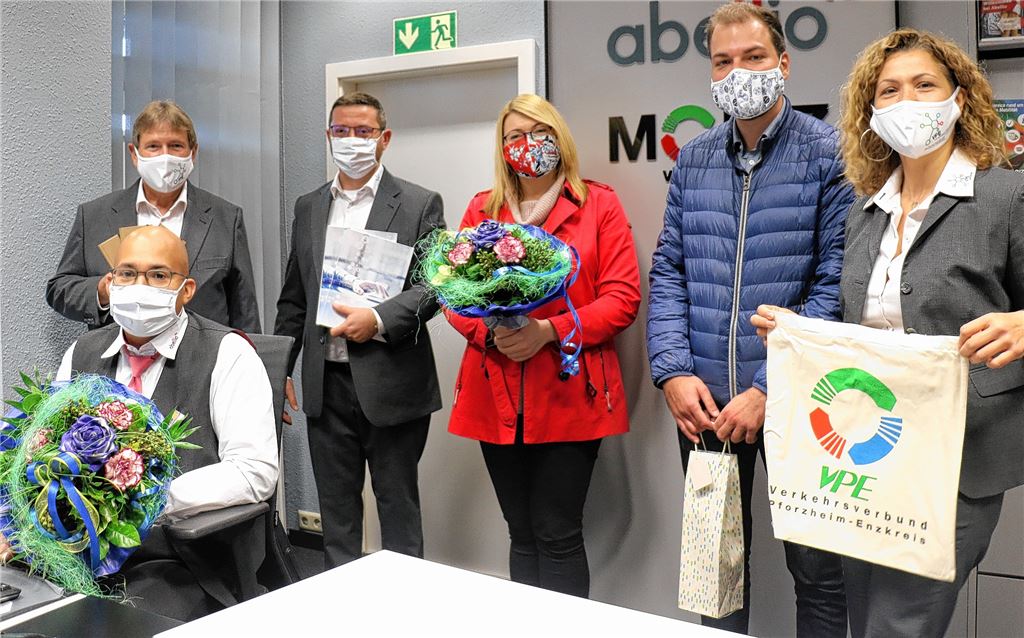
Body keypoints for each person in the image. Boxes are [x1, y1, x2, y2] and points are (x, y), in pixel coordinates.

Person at [755, 28, 1024, 637]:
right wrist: (799, 335)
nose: (908, 101)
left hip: (957, 459)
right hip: (868, 460)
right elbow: (864, 330)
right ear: (871, 112)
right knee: (865, 617)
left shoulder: (1007, 196)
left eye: (924, 85)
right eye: (890, 91)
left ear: (959, 98)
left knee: (899, 626)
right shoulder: (865, 211)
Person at [646, 4, 854, 635]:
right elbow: (669, 271)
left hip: (802, 406)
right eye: (723, 61)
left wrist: (769, 387)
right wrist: (672, 372)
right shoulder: (694, 159)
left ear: (783, 64)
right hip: (707, 406)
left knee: (819, 576)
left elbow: (836, 285)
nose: (738, 72)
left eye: (754, 57)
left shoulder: (830, 154)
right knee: (713, 573)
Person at [446, 94, 641, 598]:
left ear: (559, 138)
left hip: (570, 392)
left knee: (557, 535)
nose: (527, 144)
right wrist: (491, 333)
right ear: (502, 147)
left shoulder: (598, 205)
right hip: (496, 390)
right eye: (515, 136)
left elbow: (622, 298)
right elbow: (453, 295)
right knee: (522, 534)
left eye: (539, 133)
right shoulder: (482, 209)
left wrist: (548, 331)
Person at [42, 225, 274, 621]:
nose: (140, 286)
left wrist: (146, 501)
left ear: (186, 290)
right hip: (78, 551)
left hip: (179, 557)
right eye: (127, 273)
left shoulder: (228, 353)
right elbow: (47, 444)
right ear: (110, 282)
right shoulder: (82, 352)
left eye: (158, 275)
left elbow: (254, 471)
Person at [274, 92, 444, 569]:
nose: (352, 140)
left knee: (399, 514)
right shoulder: (309, 206)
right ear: (329, 137)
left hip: (392, 384)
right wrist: (278, 370)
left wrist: (379, 320)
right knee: (337, 521)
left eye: (364, 132)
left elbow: (435, 286)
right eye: (342, 131)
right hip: (325, 387)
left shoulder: (419, 203)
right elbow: (295, 297)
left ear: (384, 139)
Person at [47, 100, 261, 334]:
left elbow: (245, 311)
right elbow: (60, 290)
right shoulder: (94, 216)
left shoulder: (226, 218)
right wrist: (105, 290)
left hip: (202, 353)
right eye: (153, 146)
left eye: (176, 146)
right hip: (119, 351)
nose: (165, 156)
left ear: (193, 152)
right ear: (134, 153)